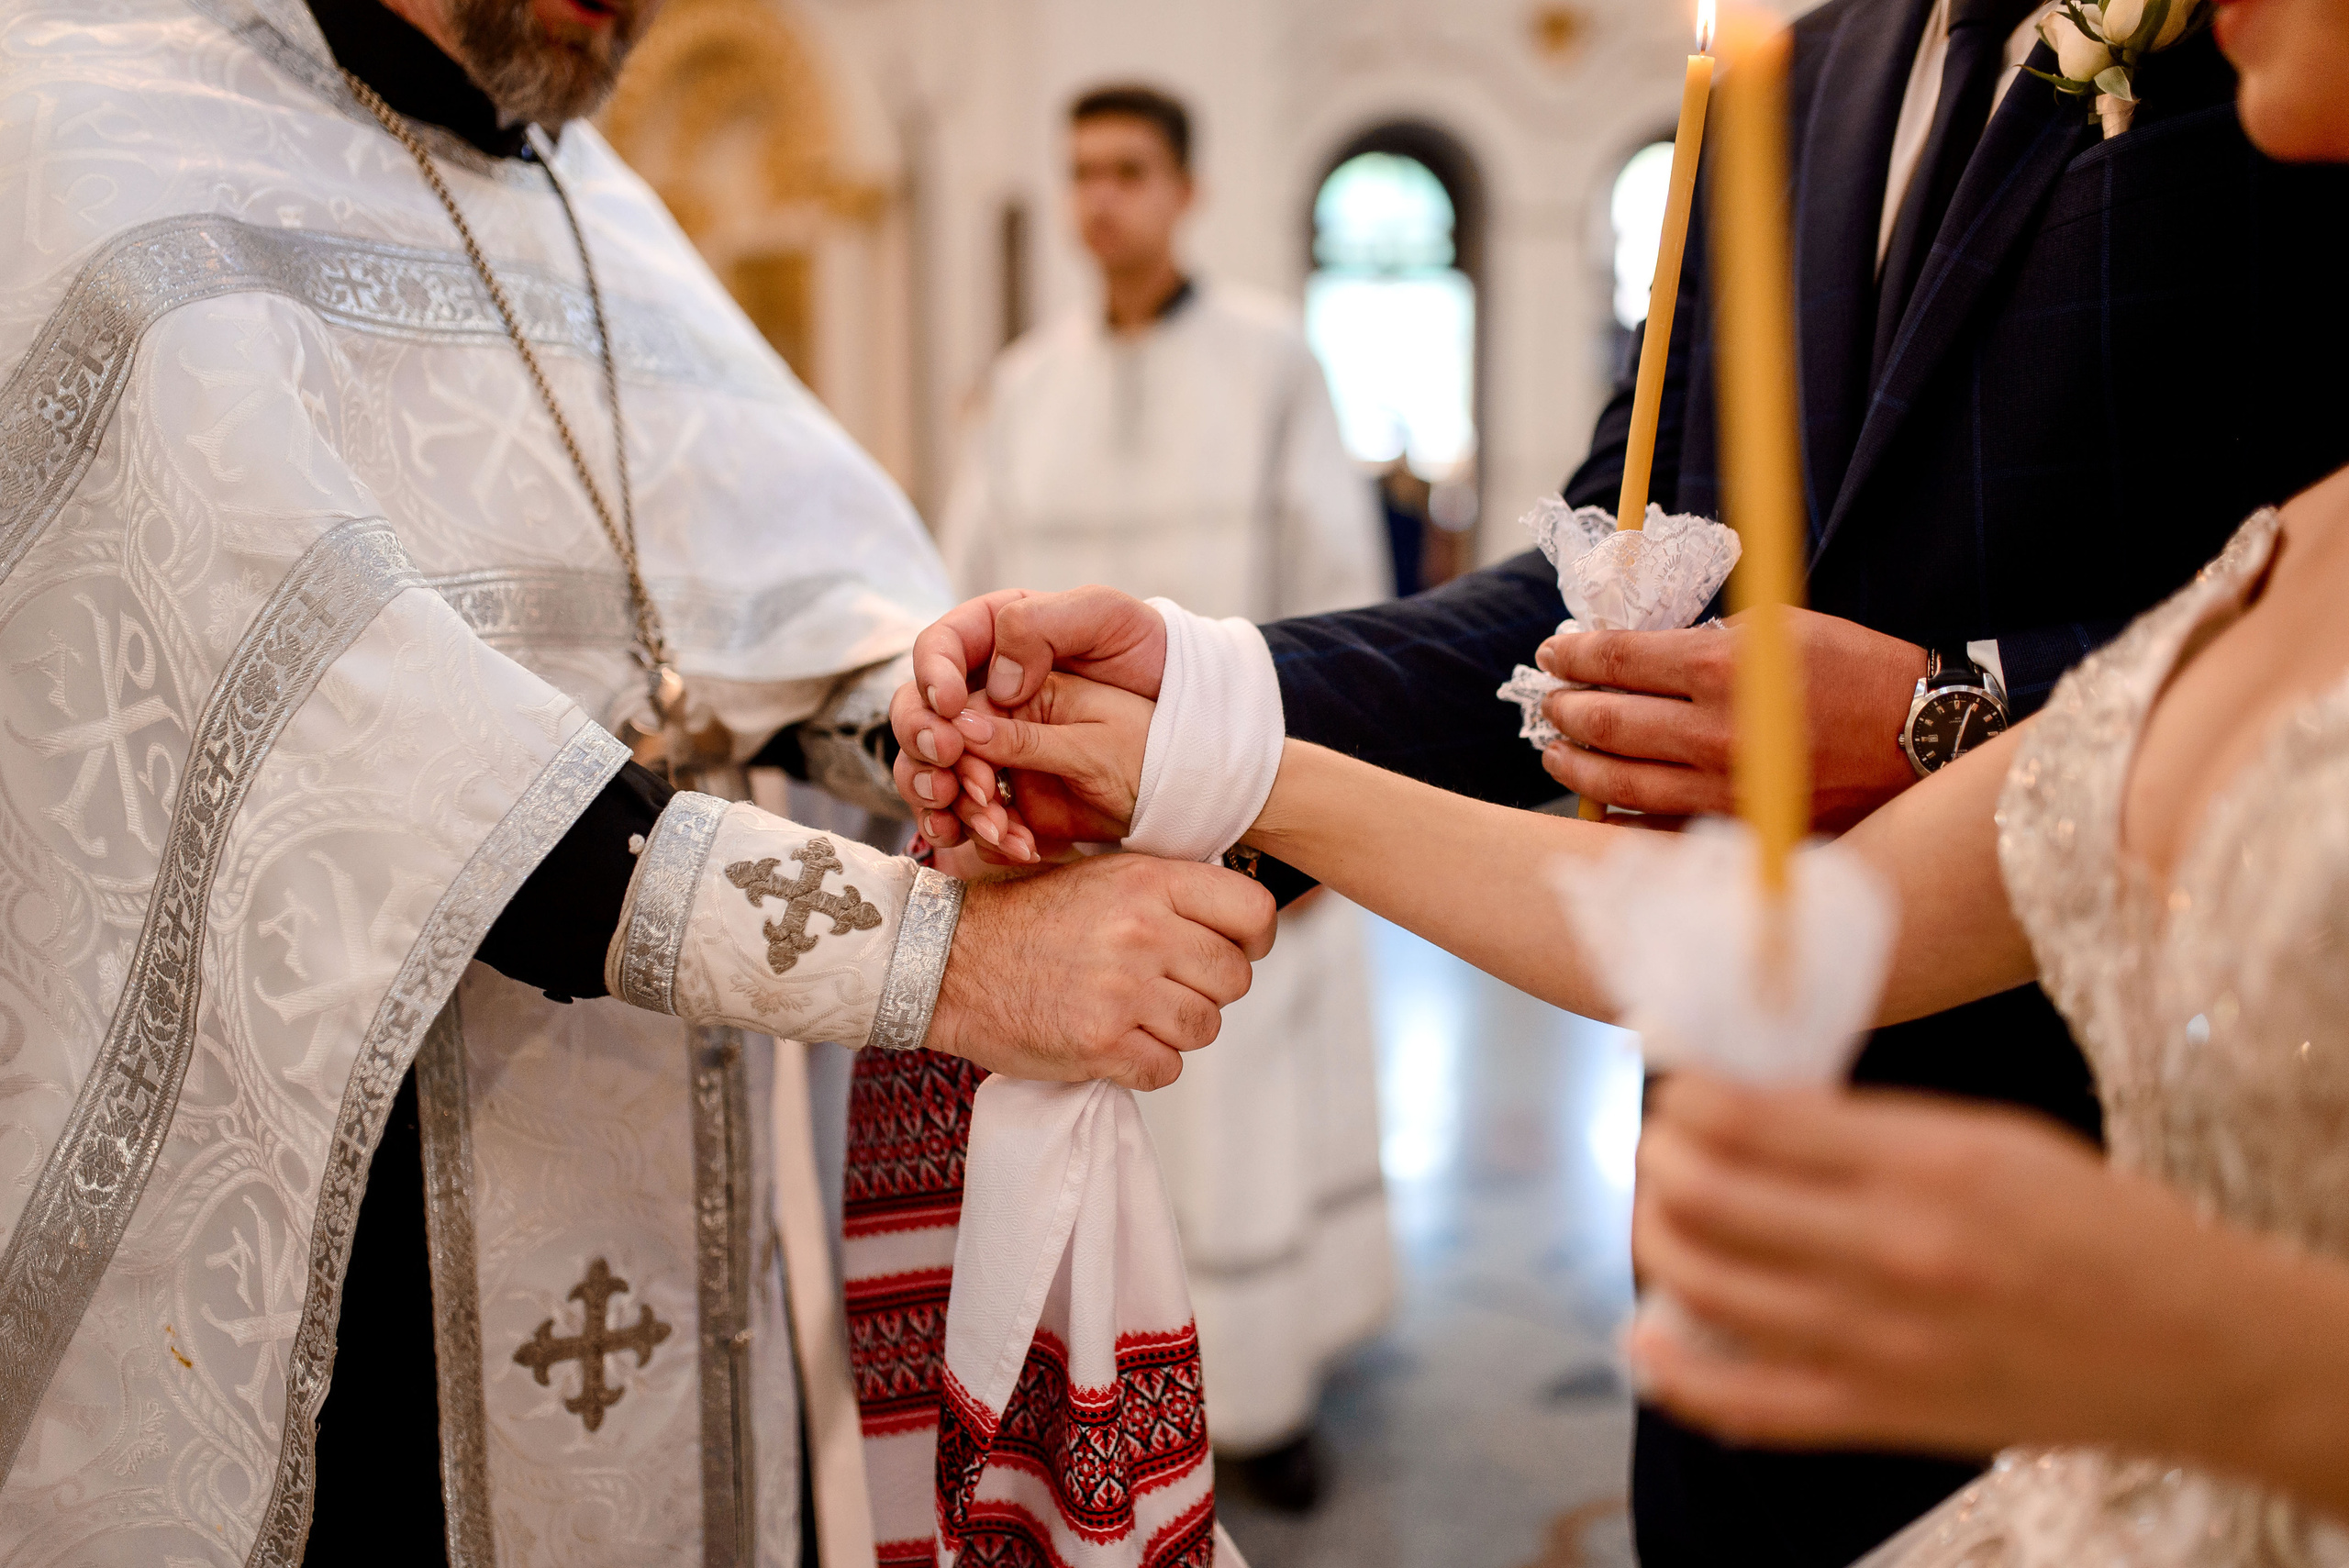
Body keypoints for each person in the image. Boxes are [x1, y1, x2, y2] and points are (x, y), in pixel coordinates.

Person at [893, 0, 2349, 1558]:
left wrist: (1935, 707)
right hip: (1737, 1164)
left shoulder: (2269, 67)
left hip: (2131, 1168)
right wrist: (1204, 709)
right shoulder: (1790, 74)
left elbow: (2236, 650)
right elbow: (1610, 582)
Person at [0, 2, 1276, 1562]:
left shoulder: (594, 199)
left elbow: (802, 592)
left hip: (678, 1163)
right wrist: (947, 959)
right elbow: (345, 735)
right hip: (362, 1202)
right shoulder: (85, 118)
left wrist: (945, 733)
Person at [936, 83, 1393, 1507]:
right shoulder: (1023, 383)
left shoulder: (1270, 361)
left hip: (1234, 814)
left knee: (1244, 1115)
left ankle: (1260, 1403)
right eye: (1082, 173)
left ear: (1186, 190)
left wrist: (1299, 829)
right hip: (1064, 842)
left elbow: (1341, 588)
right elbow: (965, 574)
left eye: (1130, 171)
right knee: (1098, 1120)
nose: (1102, 200)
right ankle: (1100, 1399)